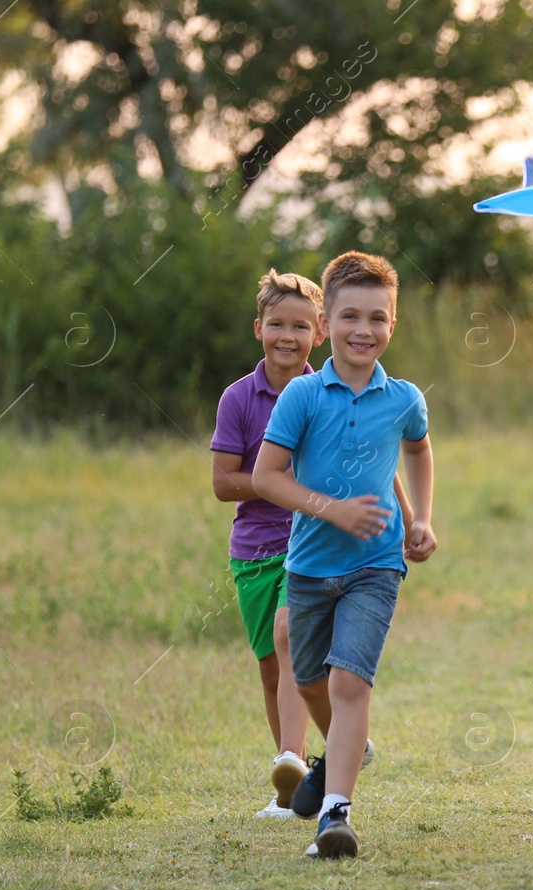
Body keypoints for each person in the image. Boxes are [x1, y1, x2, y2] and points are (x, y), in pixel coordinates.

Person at [252, 251, 437, 858]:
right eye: (350, 316)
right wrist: (332, 510)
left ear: (393, 325)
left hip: (376, 565)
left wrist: (420, 520)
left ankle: (336, 812)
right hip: (307, 566)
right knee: (309, 685)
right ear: (326, 322)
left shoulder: (405, 397)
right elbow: (266, 477)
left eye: (378, 318)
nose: (365, 330)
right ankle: (340, 754)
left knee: (350, 684)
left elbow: (417, 451)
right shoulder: (303, 396)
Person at [210, 270, 328, 818]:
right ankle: (292, 779)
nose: (288, 335)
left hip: (311, 543)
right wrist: (273, 480)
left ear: (319, 332)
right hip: (253, 550)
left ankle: (294, 760)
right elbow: (221, 482)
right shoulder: (238, 398)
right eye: (277, 324)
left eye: (300, 326)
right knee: (270, 667)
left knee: (291, 641)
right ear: (258, 328)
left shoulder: (327, 393)